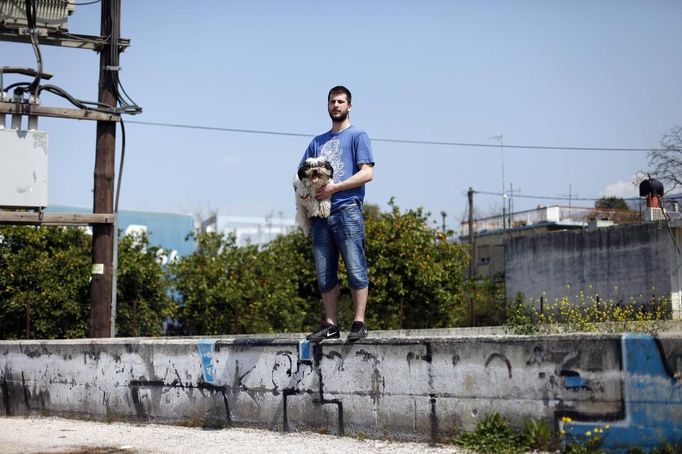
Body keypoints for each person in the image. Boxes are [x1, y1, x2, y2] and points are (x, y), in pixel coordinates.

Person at [299, 85, 375, 342]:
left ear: (349, 106)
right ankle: (330, 324)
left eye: (341, 102)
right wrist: (307, 201)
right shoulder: (316, 142)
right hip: (320, 215)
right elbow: (301, 176)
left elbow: (367, 173)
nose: (336, 106)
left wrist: (335, 187)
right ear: (328, 105)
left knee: (355, 266)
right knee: (324, 273)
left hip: (346, 209)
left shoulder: (358, 135)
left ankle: (359, 322)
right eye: (332, 101)